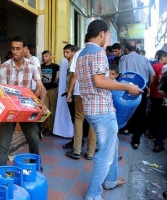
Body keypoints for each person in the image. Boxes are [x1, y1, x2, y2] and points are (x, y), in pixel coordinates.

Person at [75, 19, 142, 200]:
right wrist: (127, 87)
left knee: (112, 146)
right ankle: (93, 194)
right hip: (102, 110)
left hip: (90, 107)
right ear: (102, 33)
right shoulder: (98, 52)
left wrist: (120, 83)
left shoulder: (81, 54)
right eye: (107, 34)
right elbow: (99, 81)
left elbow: (95, 80)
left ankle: (111, 180)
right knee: (104, 154)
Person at [0, 36, 47, 169]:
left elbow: (41, 87)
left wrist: (42, 102)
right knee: (4, 144)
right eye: (13, 49)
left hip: (27, 109)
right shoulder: (4, 67)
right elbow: (2, 92)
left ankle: (36, 166)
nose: (15, 52)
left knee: (34, 139)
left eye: (18, 49)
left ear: (25, 49)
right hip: (10, 110)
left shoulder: (32, 65)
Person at [119, 43, 155, 150]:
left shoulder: (124, 58)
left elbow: (122, 75)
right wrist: (148, 86)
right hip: (141, 89)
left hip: (127, 88)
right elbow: (152, 74)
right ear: (136, 49)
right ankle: (136, 141)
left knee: (126, 109)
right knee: (140, 113)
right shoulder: (144, 59)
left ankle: (126, 129)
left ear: (126, 49)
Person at [65, 47, 97, 160]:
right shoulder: (99, 52)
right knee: (93, 121)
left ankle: (77, 151)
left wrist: (69, 92)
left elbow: (74, 75)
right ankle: (90, 153)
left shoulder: (79, 53)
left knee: (79, 119)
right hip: (94, 93)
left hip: (80, 92)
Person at [53, 44, 77, 138]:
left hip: (73, 92)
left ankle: (76, 139)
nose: (65, 54)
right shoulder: (68, 62)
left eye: (67, 52)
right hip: (71, 91)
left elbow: (72, 77)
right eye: (64, 52)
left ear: (73, 53)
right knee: (73, 117)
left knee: (74, 117)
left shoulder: (72, 63)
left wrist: (69, 92)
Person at [149, 51, 167, 139]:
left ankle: (151, 132)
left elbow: (151, 76)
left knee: (153, 113)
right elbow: (160, 78)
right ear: (162, 58)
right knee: (159, 116)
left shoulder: (153, 65)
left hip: (153, 93)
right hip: (159, 95)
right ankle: (155, 133)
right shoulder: (162, 67)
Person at [41, 50, 59, 135]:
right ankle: (45, 126)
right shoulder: (40, 66)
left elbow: (63, 72)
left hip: (53, 90)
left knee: (53, 109)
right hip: (44, 90)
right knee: (45, 109)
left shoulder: (55, 66)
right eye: (43, 56)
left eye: (46, 56)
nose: (44, 58)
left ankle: (52, 128)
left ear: (50, 56)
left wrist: (58, 78)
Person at [154, 65, 167, 152]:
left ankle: (158, 145)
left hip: (166, 105)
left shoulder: (165, 73)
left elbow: (159, 89)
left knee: (163, 124)